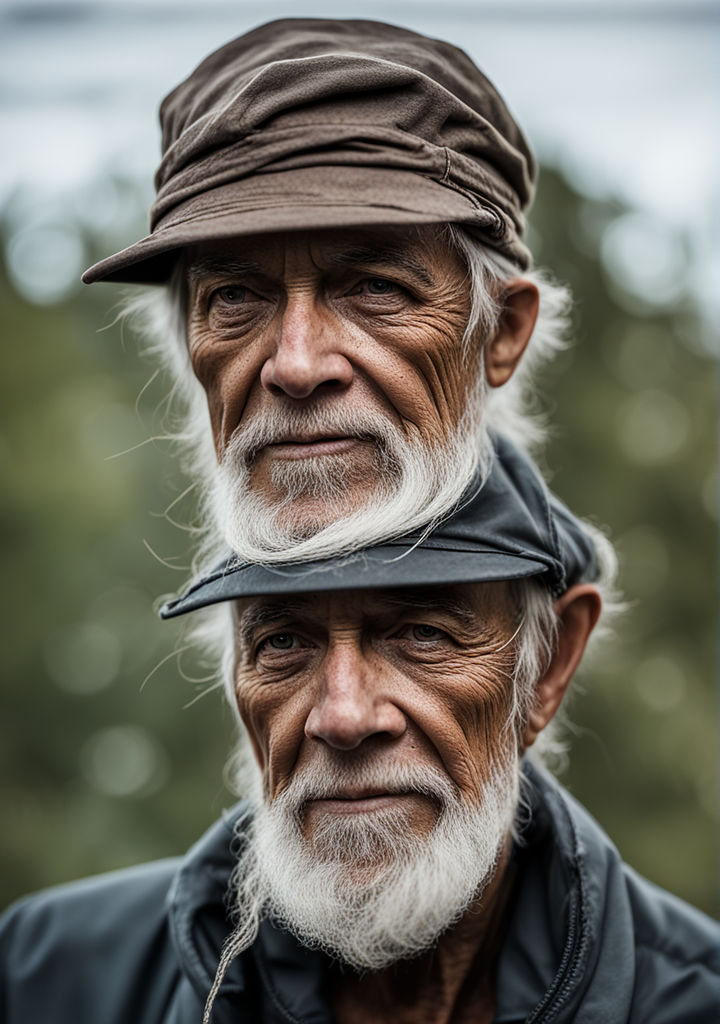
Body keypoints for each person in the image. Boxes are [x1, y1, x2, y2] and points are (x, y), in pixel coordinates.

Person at [1, 435, 717, 1023]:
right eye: (283, 643)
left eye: (423, 634)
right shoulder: (46, 978)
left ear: (548, 667)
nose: (342, 717)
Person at [82, 17, 570, 572]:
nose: (295, 366)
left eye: (378, 288)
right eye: (236, 297)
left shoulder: (535, 634)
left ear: (502, 331)